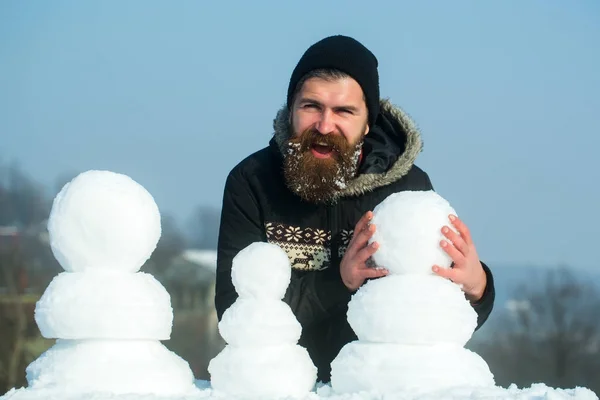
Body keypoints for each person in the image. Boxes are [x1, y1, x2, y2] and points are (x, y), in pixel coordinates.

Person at [214, 35, 495, 382]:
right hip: (279, 384)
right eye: (311, 106)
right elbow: (234, 310)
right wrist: (339, 281)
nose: (324, 125)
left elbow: (433, 321)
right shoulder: (253, 181)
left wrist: (477, 287)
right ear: (291, 109)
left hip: (377, 386)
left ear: (367, 122)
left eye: (344, 111)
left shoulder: (407, 190)